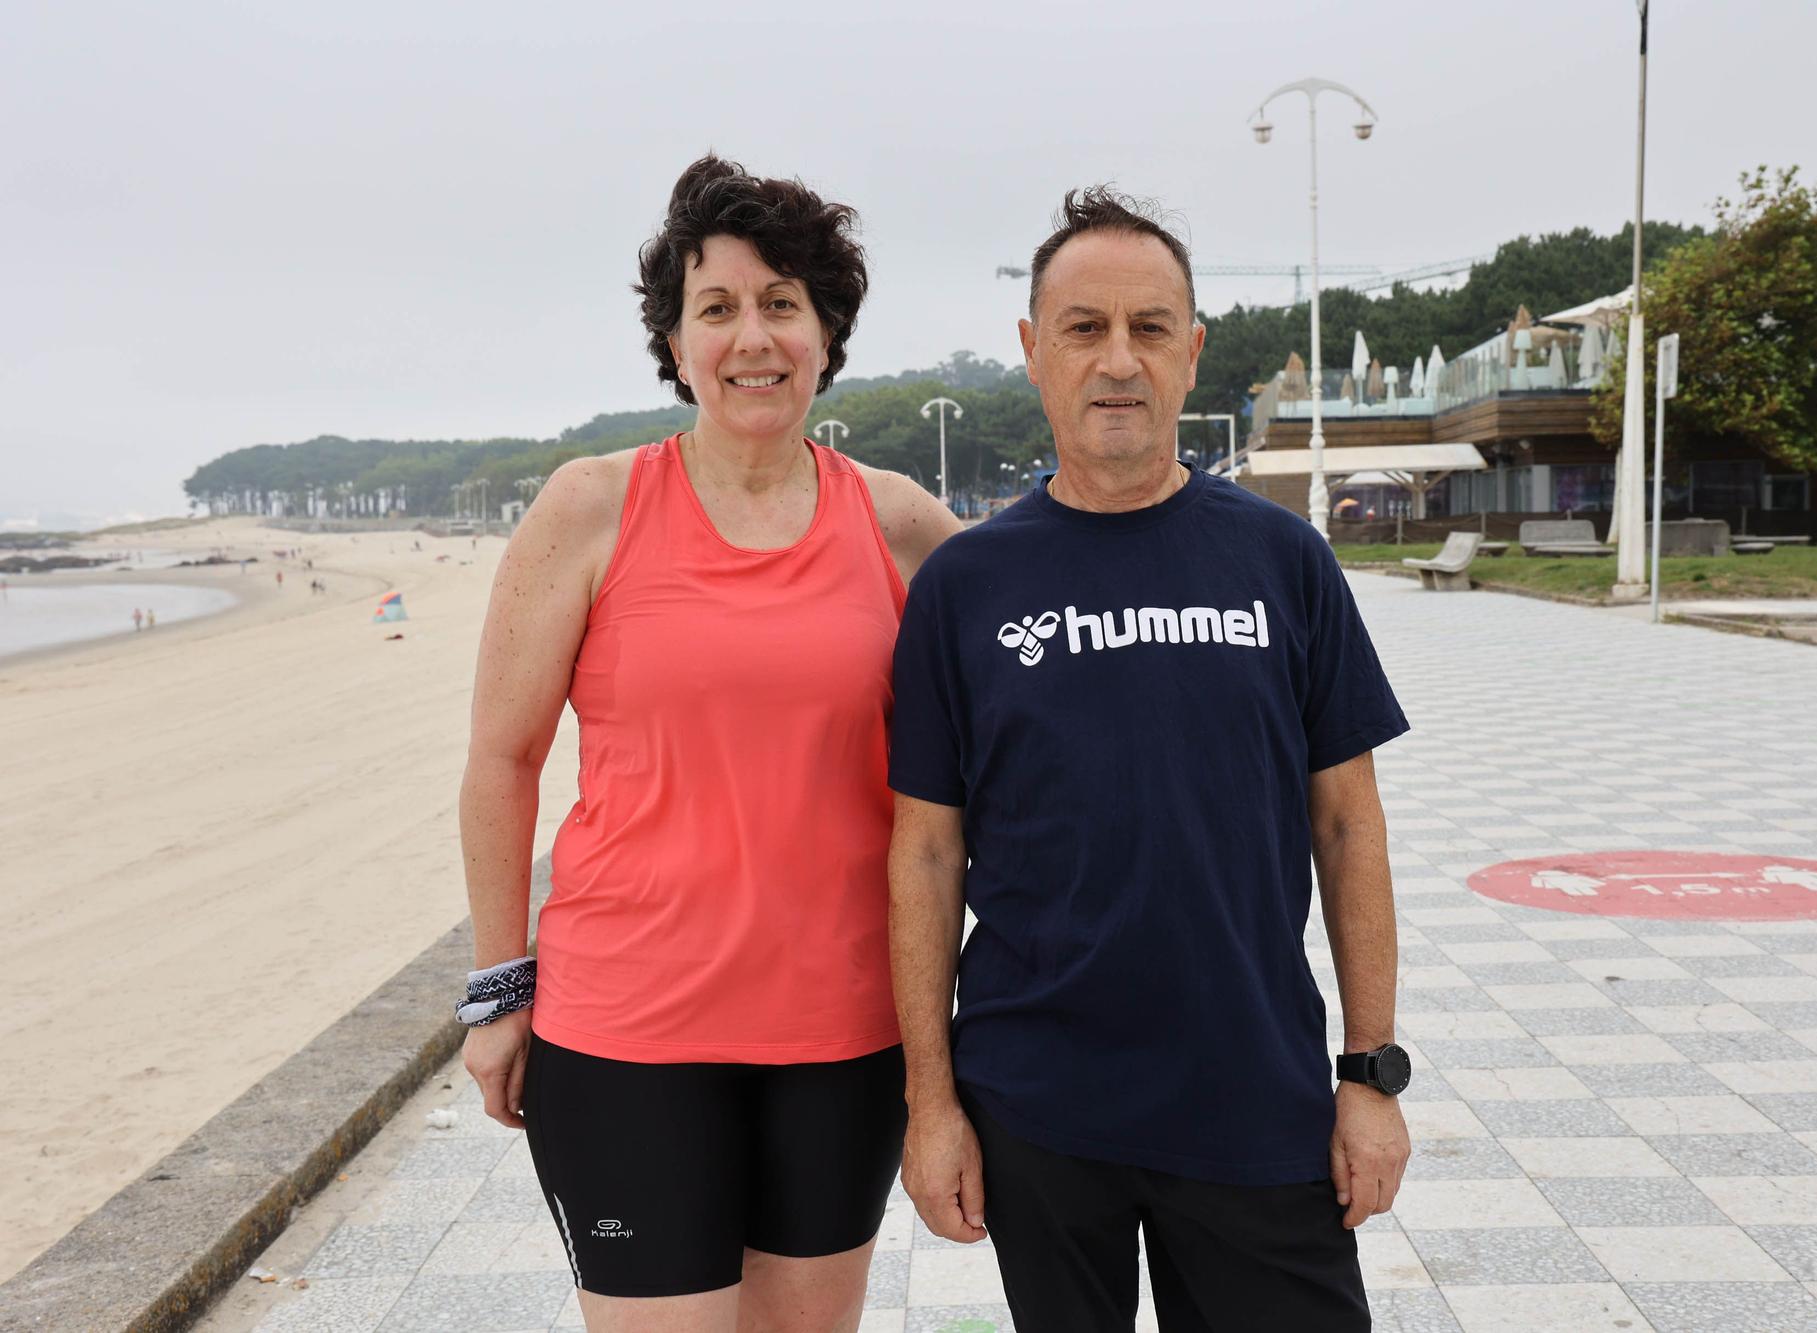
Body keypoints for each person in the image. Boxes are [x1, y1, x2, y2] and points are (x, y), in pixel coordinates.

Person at [889, 188, 1412, 1330]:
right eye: (1083, 328)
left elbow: (1346, 823)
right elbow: (924, 854)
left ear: (1191, 353)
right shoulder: (965, 587)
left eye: (1149, 328)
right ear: (1031, 352)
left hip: (1252, 1091)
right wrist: (929, 1106)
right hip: (1038, 1104)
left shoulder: (1283, 561)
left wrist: (1368, 1074)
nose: (1116, 361)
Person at [458, 154, 960, 1332]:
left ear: (825, 334)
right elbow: (501, 761)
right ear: (675, 343)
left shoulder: (898, 525)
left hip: (844, 1038)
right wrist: (497, 990)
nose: (753, 337)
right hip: (627, 1035)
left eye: (782, 303)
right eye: (718, 307)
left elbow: (1042, 658)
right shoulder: (592, 506)